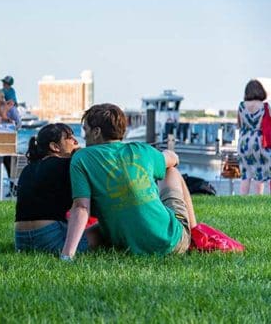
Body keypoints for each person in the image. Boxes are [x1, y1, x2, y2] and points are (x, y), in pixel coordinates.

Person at [61, 103, 198, 260]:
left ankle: (193, 233)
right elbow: (174, 159)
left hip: (125, 244)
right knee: (171, 170)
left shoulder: (82, 158)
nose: (83, 137)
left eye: (85, 130)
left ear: (97, 132)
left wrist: (67, 255)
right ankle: (194, 234)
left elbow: (81, 207)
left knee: (101, 227)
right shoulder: (142, 150)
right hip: (172, 243)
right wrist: (164, 156)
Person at [15, 123, 98, 253]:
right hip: (49, 238)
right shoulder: (68, 165)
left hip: (21, 241)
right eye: (70, 138)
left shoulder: (28, 169)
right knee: (101, 232)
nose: (76, 141)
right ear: (54, 147)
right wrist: (79, 154)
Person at [237, 79, 271, 195]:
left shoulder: (241, 106)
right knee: (260, 170)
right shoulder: (265, 106)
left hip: (244, 140)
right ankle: (259, 197)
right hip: (259, 140)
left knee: (246, 173)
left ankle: (243, 198)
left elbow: (240, 124)